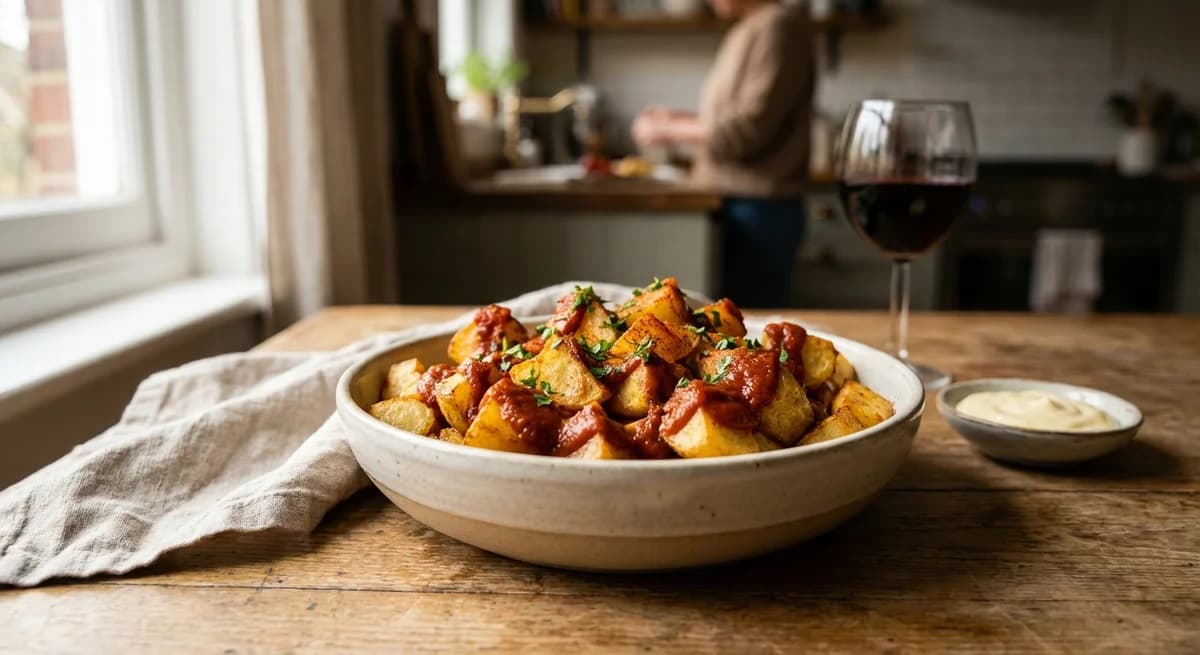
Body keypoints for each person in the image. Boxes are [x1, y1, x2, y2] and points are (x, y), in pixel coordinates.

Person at [632, 0, 814, 307]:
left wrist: (670, 130)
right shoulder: (752, 27)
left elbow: (748, 132)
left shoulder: (777, 26)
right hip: (739, 204)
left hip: (759, 209)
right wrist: (675, 119)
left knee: (751, 328)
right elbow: (731, 121)